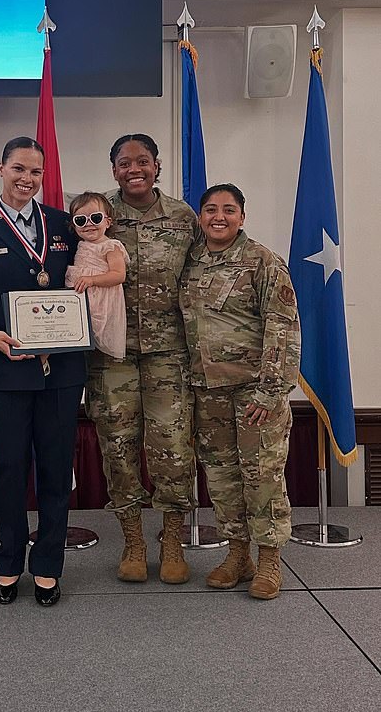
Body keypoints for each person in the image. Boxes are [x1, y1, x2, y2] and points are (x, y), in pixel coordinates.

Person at [0, 137, 86, 607]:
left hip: (62, 369)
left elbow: (82, 278)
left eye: (36, 172)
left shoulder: (65, 225)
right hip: (6, 368)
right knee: (8, 469)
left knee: (54, 468)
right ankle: (8, 562)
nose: (27, 179)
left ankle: (48, 565)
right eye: (18, 169)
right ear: (1, 168)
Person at [86, 134, 199, 584]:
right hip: (111, 355)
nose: (135, 169)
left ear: (158, 166)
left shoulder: (183, 217)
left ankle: (171, 540)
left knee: (172, 449)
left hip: (170, 354)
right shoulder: (98, 217)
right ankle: (133, 541)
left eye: (144, 161)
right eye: (125, 163)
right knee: (118, 447)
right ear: (113, 169)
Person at [179, 184, 300, 599]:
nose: (219, 216)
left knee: (262, 476)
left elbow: (282, 328)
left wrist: (270, 392)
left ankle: (269, 560)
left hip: (254, 393)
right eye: (210, 209)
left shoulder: (262, 261)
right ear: (200, 216)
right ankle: (237, 555)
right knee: (222, 477)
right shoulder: (190, 261)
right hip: (207, 391)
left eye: (228, 210)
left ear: (242, 217)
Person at [65, 191, 129, 360]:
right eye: (80, 220)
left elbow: (118, 275)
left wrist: (92, 280)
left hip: (103, 301)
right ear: (73, 225)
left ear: (108, 222)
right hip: (81, 301)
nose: (89, 224)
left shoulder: (110, 245)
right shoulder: (80, 245)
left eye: (96, 218)